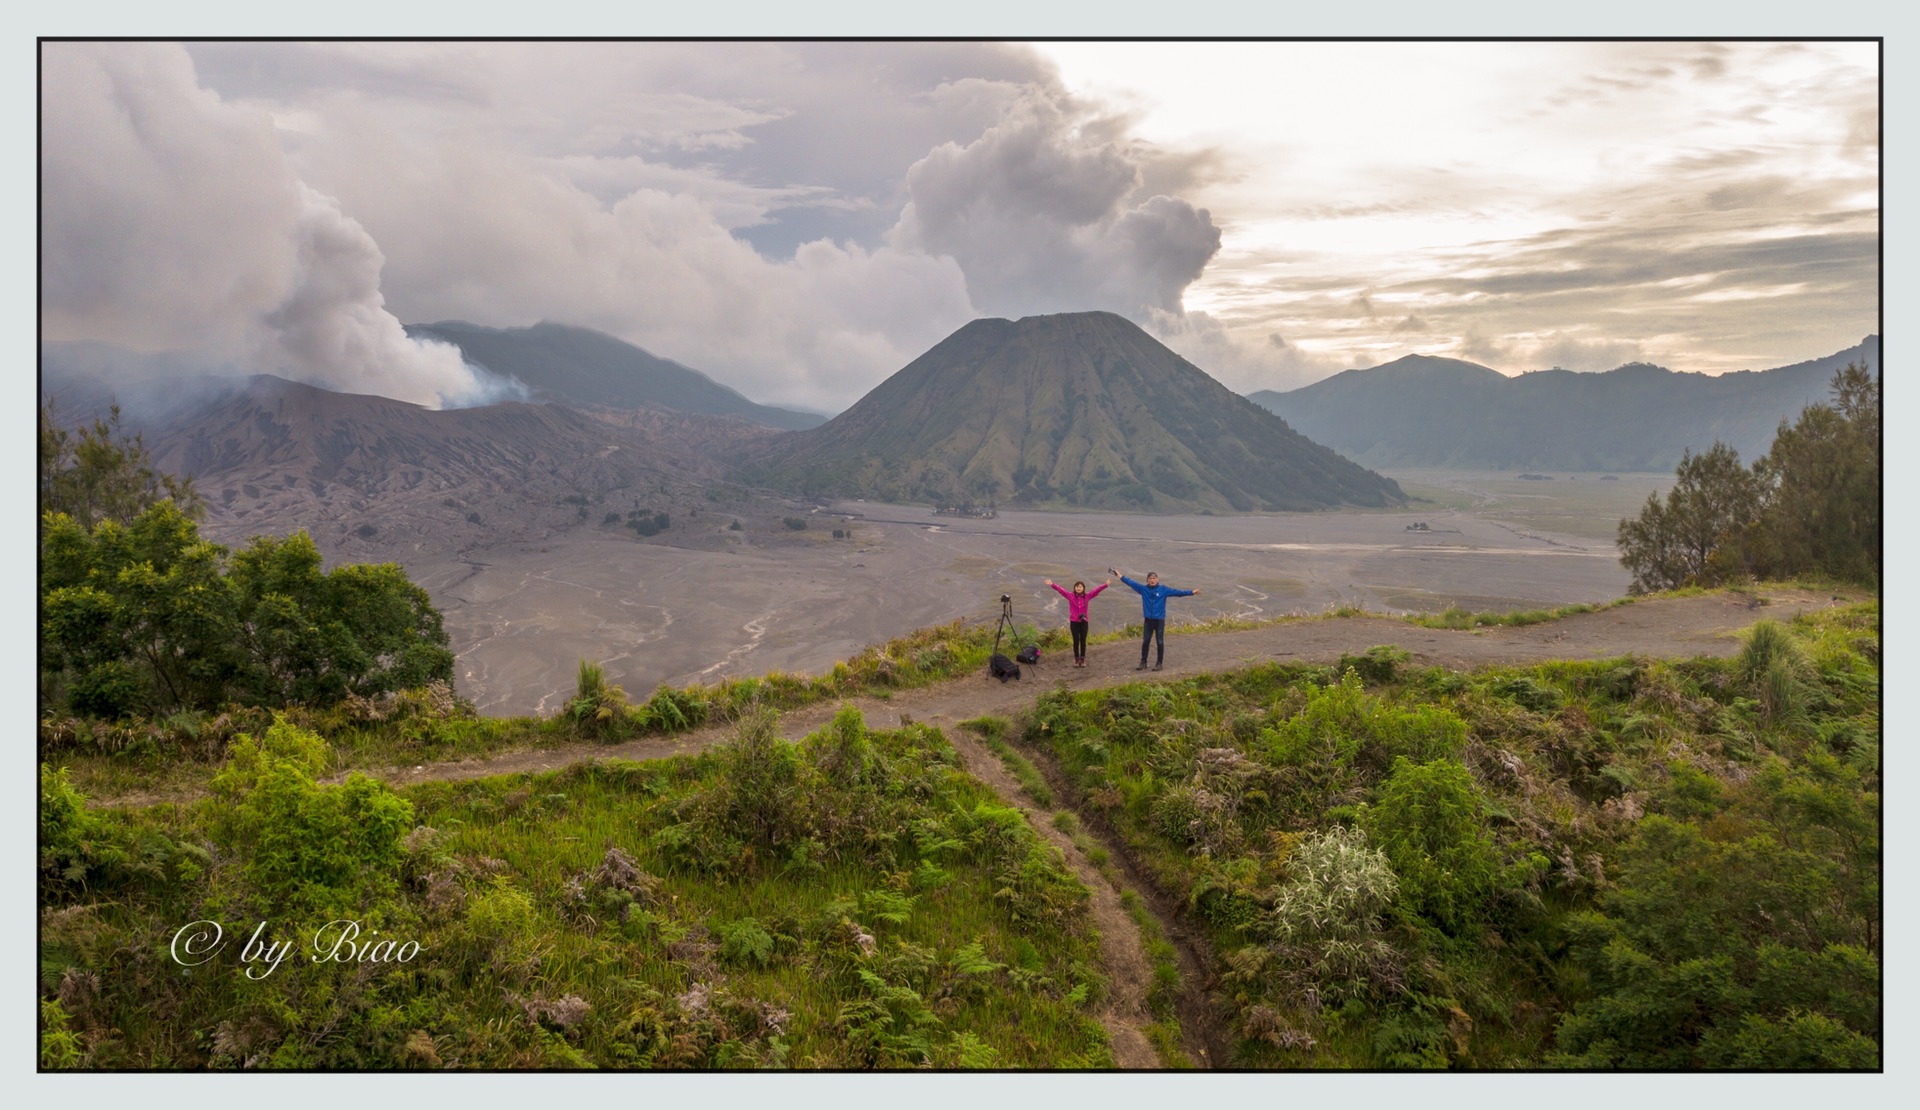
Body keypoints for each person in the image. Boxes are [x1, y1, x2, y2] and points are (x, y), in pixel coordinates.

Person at [1109, 567, 1200, 671]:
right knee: (1146, 641)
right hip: (1148, 620)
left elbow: (1178, 593)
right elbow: (1130, 582)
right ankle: (1143, 662)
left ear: (1157, 579)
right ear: (1147, 580)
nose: (1152, 580)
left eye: (1154, 578)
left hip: (1159, 620)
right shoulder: (1143, 589)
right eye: (1150, 578)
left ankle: (1159, 663)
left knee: (1160, 642)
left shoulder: (1163, 590)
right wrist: (1119, 575)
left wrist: (1191, 592)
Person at [1046, 576, 1110, 667]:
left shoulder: (1087, 597)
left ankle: (1082, 659)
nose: (1078, 588)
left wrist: (1105, 585)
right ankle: (1076, 659)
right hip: (1074, 622)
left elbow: (1096, 590)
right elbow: (1061, 590)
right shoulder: (1070, 596)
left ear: (1083, 588)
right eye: (1077, 586)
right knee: (1076, 641)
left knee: (1083, 641)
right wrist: (1052, 584)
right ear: (1074, 588)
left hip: (1084, 622)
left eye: (1080, 586)